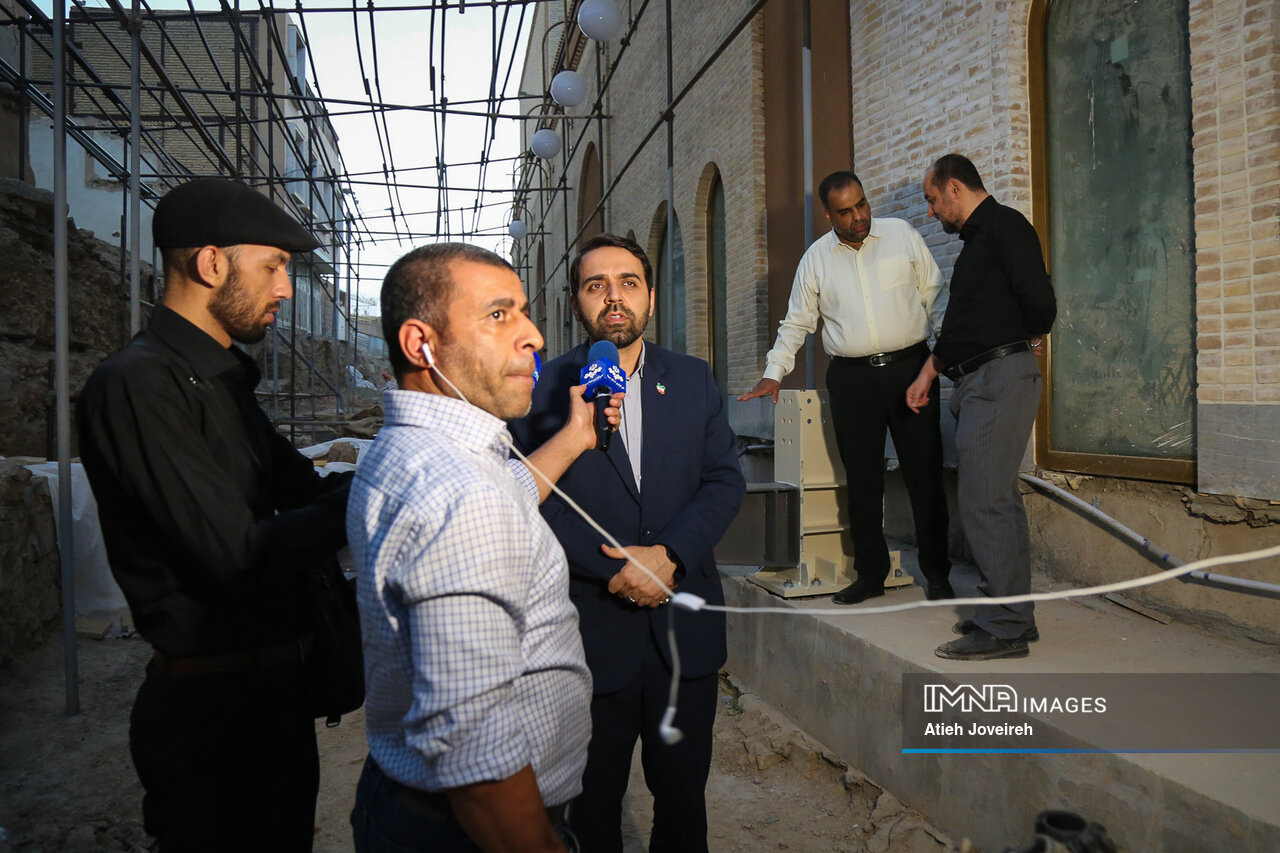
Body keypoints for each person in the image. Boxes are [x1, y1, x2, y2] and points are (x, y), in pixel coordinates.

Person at [76, 177, 353, 851]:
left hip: (274, 700)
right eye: (274, 267)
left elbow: (302, 487)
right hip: (213, 719)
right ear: (210, 263)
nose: (286, 289)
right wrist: (367, 498)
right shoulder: (140, 384)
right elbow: (239, 553)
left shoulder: (223, 381)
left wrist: (357, 491)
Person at [347, 242, 622, 853]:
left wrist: (576, 437)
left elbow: (509, 490)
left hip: (409, 807)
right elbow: (474, 750)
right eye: (499, 315)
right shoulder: (460, 492)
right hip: (472, 832)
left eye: (523, 312)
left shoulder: (423, 450)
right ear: (421, 344)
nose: (533, 337)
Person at [511, 233, 746, 853]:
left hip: (682, 635)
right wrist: (617, 568)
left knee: (683, 806)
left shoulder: (692, 379)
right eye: (597, 286)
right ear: (575, 303)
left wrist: (668, 557)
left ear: (650, 298)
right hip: (586, 634)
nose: (614, 297)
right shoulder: (536, 387)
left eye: (628, 283)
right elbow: (527, 499)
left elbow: (723, 481)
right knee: (589, 813)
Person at [739, 170, 952, 604]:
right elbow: (796, 322)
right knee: (862, 480)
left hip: (911, 369)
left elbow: (937, 298)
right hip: (852, 380)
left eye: (862, 204)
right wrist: (774, 372)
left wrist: (947, 359)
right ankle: (870, 574)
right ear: (828, 215)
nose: (859, 216)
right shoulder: (816, 259)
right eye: (846, 211)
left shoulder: (901, 235)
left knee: (925, 476)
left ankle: (938, 574)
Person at [907, 153, 1057, 661]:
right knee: (997, 500)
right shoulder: (978, 243)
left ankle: (1004, 627)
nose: (931, 211)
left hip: (998, 379)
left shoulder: (1004, 226)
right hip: (982, 379)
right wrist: (930, 372)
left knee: (983, 499)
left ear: (955, 187)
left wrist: (1026, 334)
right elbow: (967, 325)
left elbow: (1040, 302)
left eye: (932, 200)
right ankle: (1012, 613)